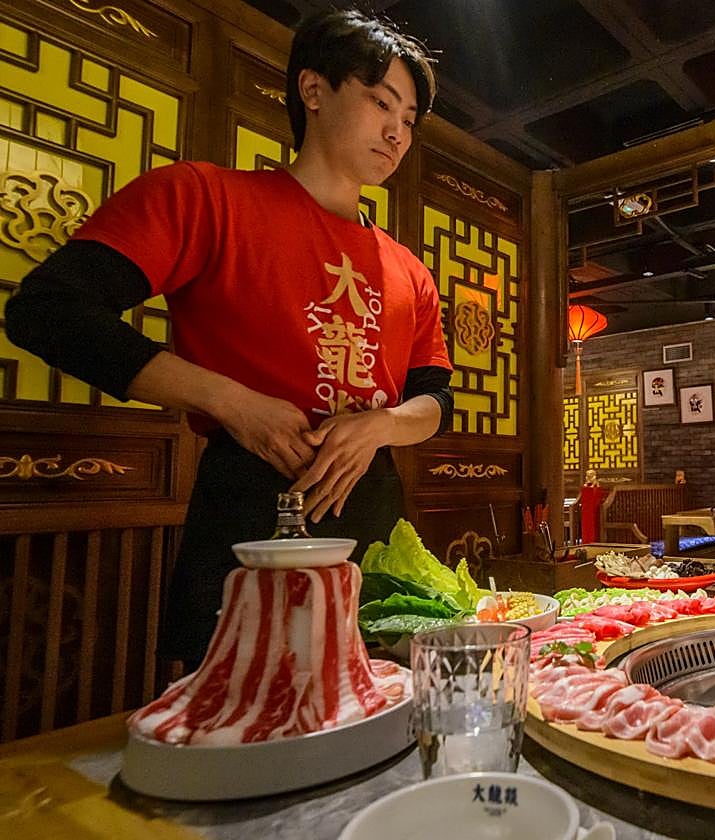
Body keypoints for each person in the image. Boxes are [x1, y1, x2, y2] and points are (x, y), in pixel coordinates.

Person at [5, 9, 452, 668]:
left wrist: (380, 426)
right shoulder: (204, 198)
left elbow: (435, 400)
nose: (397, 132)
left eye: (409, 120)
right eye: (382, 102)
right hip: (250, 499)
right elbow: (48, 310)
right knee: (239, 706)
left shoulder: (409, 269)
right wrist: (233, 402)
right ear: (313, 90)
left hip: (376, 511)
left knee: (384, 702)